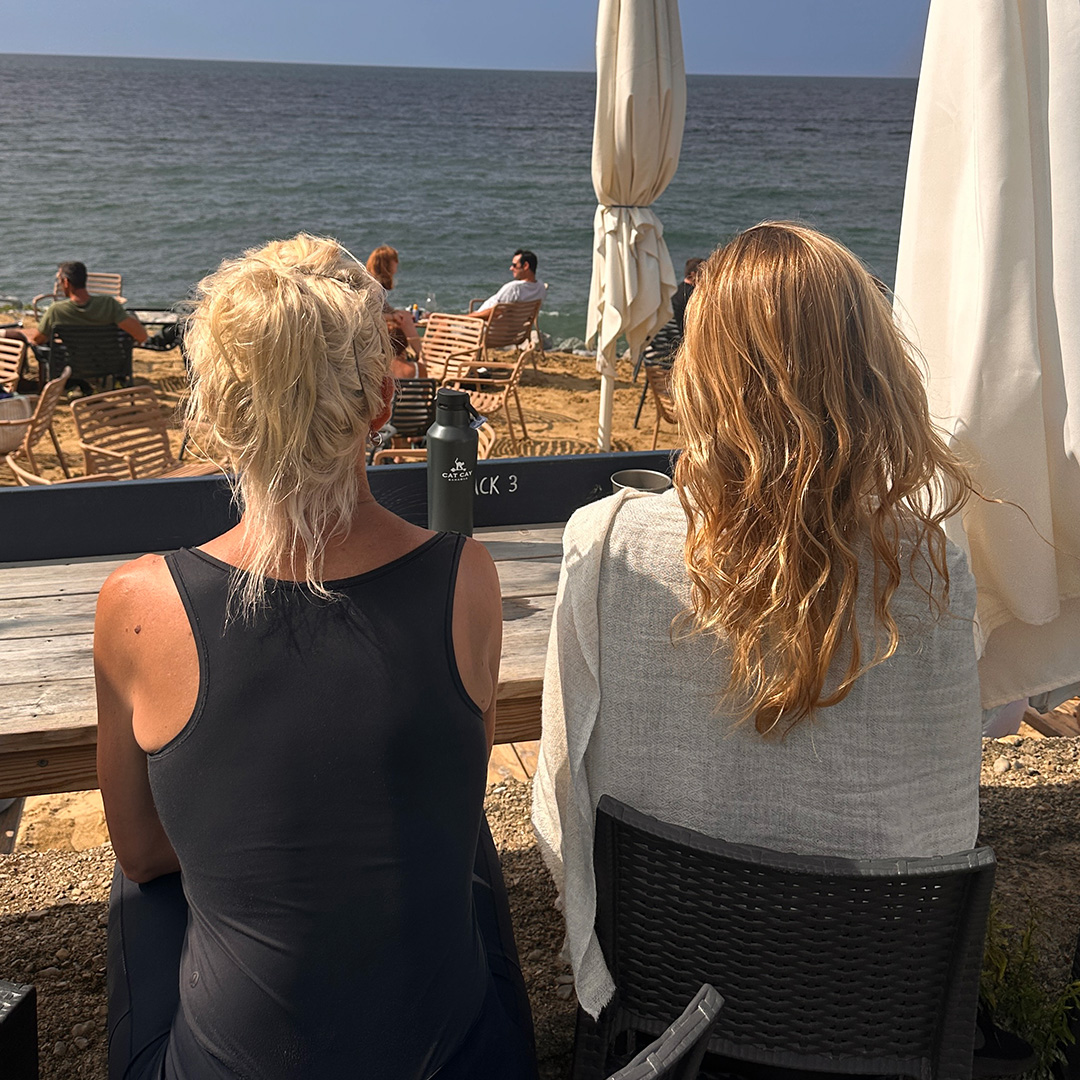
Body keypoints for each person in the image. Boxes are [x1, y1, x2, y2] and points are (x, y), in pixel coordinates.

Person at [95, 233, 538, 1079]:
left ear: (217, 414)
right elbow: (453, 789)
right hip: (465, 1061)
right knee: (463, 849)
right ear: (381, 402)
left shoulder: (140, 606)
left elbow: (144, 852)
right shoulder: (467, 577)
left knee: (137, 888)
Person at [532, 221, 982, 1020]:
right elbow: (939, 809)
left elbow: (562, 791)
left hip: (663, 989)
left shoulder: (610, 544)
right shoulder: (930, 563)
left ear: (702, 374)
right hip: (873, 998)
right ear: (872, 371)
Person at [3, 261, 147, 346]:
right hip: (108, 364)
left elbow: (38, 340)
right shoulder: (109, 304)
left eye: (59, 280)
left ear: (66, 282)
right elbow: (141, 336)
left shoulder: (57, 310)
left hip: (72, 367)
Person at [366, 244, 426, 378]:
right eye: (395, 261)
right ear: (387, 264)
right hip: (373, 330)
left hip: (374, 327)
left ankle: (420, 354)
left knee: (404, 315)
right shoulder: (375, 288)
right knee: (405, 318)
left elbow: (384, 309)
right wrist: (393, 317)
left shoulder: (372, 284)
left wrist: (395, 314)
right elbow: (371, 314)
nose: (397, 264)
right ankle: (421, 356)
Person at [470, 249, 546, 314]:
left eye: (514, 265)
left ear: (525, 266)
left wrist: (468, 317)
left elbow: (495, 312)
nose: (511, 268)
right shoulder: (541, 287)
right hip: (515, 325)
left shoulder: (514, 288)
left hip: (482, 323)